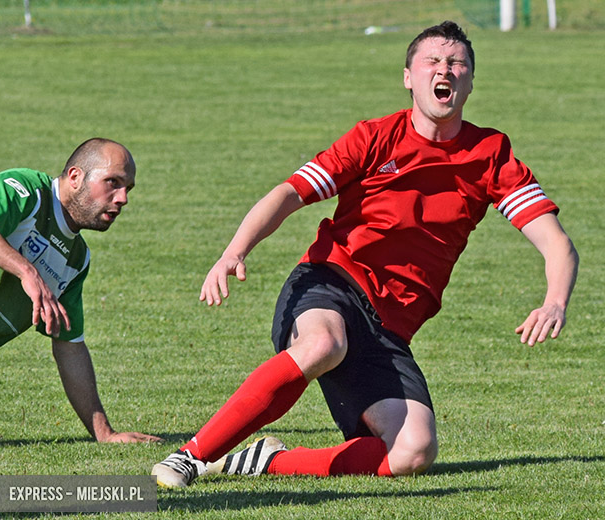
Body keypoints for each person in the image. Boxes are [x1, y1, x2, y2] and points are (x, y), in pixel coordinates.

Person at [152, 21, 578, 487]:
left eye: (457, 63)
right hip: (331, 282)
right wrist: (235, 251)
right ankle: (190, 456)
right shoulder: (375, 138)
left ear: (471, 81)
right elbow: (291, 192)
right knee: (323, 344)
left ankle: (265, 462)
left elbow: (556, 242)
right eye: (432, 61)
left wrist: (554, 301)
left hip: (389, 328)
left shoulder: (490, 153)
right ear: (408, 77)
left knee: (413, 451)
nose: (445, 70)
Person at [0, 138, 161, 444]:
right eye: (112, 183)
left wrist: (105, 434)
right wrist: (26, 271)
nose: (123, 198)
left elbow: (69, 346)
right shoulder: (26, 192)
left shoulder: (75, 260)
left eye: (128, 188)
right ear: (75, 176)